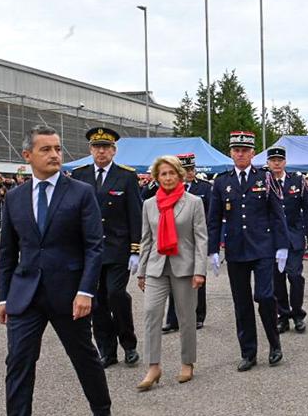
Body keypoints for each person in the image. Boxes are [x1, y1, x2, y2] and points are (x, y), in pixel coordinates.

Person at [0, 125, 111, 416]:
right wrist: (3, 297)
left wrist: (86, 291)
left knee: (83, 356)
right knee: (18, 365)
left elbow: (94, 246)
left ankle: (101, 410)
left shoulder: (81, 193)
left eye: (57, 148)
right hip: (25, 296)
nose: (55, 154)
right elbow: (8, 252)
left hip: (70, 295)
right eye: (46, 150)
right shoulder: (15, 198)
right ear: (27, 156)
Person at [207, 130, 289, 371]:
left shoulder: (266, 178)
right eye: (236, 150)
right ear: (231, 153)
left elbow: (277, 214)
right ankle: (248, 352)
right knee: (241, 303)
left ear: (253, 153)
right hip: (236, 250)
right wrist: (213, 249)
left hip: (263, 248)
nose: (240, 154)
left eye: (244, 150)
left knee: (264, 297)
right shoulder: (221, 182)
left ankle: (275, 344)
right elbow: (214, 218)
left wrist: (282, 245)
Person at [71, 127, 142, 368]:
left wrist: (136, 249)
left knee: (115, 294)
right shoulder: (79, 175)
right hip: (90, 251)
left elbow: (135, 214)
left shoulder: (126, 176)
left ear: (114, 151)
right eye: (96, 147)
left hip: (118, 248)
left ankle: (129, 344)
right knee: (97, 302)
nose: (101, 151)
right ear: (90, 150)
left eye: (106, 147)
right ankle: (106, 349)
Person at [136, 155, 207, 391]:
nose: (167, 178)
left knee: (186, 317)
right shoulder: (149, 204)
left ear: (179, 175)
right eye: (163, 174)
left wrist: (200, 271)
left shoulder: (194, 202)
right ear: (156, 177)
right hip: (156, 267)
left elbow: (201, 239)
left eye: (171, 173)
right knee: (150, 314)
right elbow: (146, 240)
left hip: (185, 268)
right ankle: (153, 366)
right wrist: (141, 271)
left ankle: (187, 362)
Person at [267, 146, 308, 332]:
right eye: (273, 160)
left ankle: (297, 313)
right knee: (277, 279)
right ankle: (283, 315)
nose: (277, 163)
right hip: (272, 238)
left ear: (285, 162)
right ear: (268, 163)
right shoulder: (264, 182)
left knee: (295, 276)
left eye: (280, 160)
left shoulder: (298, 181)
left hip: (294, 237)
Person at [163, 153, 212, 332]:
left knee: (197, 277)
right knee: (172, 276)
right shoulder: (170, 188)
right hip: (174, 239)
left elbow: (210, 215)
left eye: (192, 169)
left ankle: (198, 315)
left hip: (196, 239)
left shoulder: (205, 188)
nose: (190, 173)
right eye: (186, 170)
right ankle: (172, 319)